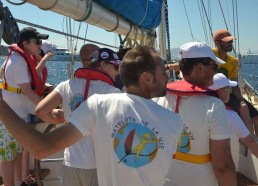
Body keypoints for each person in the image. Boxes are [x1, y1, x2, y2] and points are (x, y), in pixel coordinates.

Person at [0, 45, 183, 186]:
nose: (168, 76)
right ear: (147, 78)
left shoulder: (98, 105)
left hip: (72, 163)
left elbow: (41, 145)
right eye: (164, 72)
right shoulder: (174, 121)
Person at [154, 42, 237, 186]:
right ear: (199, 68)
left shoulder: (158, 98)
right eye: (214, 67)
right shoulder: (213, 106)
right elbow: (222, 166)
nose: (216, 72)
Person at [35, 48, 122, 186]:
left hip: (70, 164)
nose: (118, 72)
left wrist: (62, 119)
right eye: (116, 67)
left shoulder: (66, 85)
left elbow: (41, 111)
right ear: (103, 65)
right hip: (98, 167)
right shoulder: (113, 93)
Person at [0, 27, 49, 186]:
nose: (40, 45)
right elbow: (27, 90)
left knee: (17, 151)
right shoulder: (19, 61)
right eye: (37, 42)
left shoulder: (20, 59)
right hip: (10, 116)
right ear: (26, 43)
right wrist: (48, 109)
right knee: (8, 155)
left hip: (17, 114)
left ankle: (19, 181)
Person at [213, 29, 258, 136]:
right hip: (214, 94)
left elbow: (234, 83)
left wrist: (241, 100)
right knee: (244, 111)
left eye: (231, 41)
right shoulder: (209, 55)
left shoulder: (233, 61)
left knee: (256, 117)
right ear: (217, 43)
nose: (231, 43)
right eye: (227, 41)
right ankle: (250, 144)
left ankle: (255, 144)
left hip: (228, 94)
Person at [209, 73, 258, 159]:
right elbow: (251, 143)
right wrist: (245, 116)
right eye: (229, 89)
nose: (230, 92)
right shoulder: (230, 116)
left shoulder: (199, 109)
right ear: (220, 92)